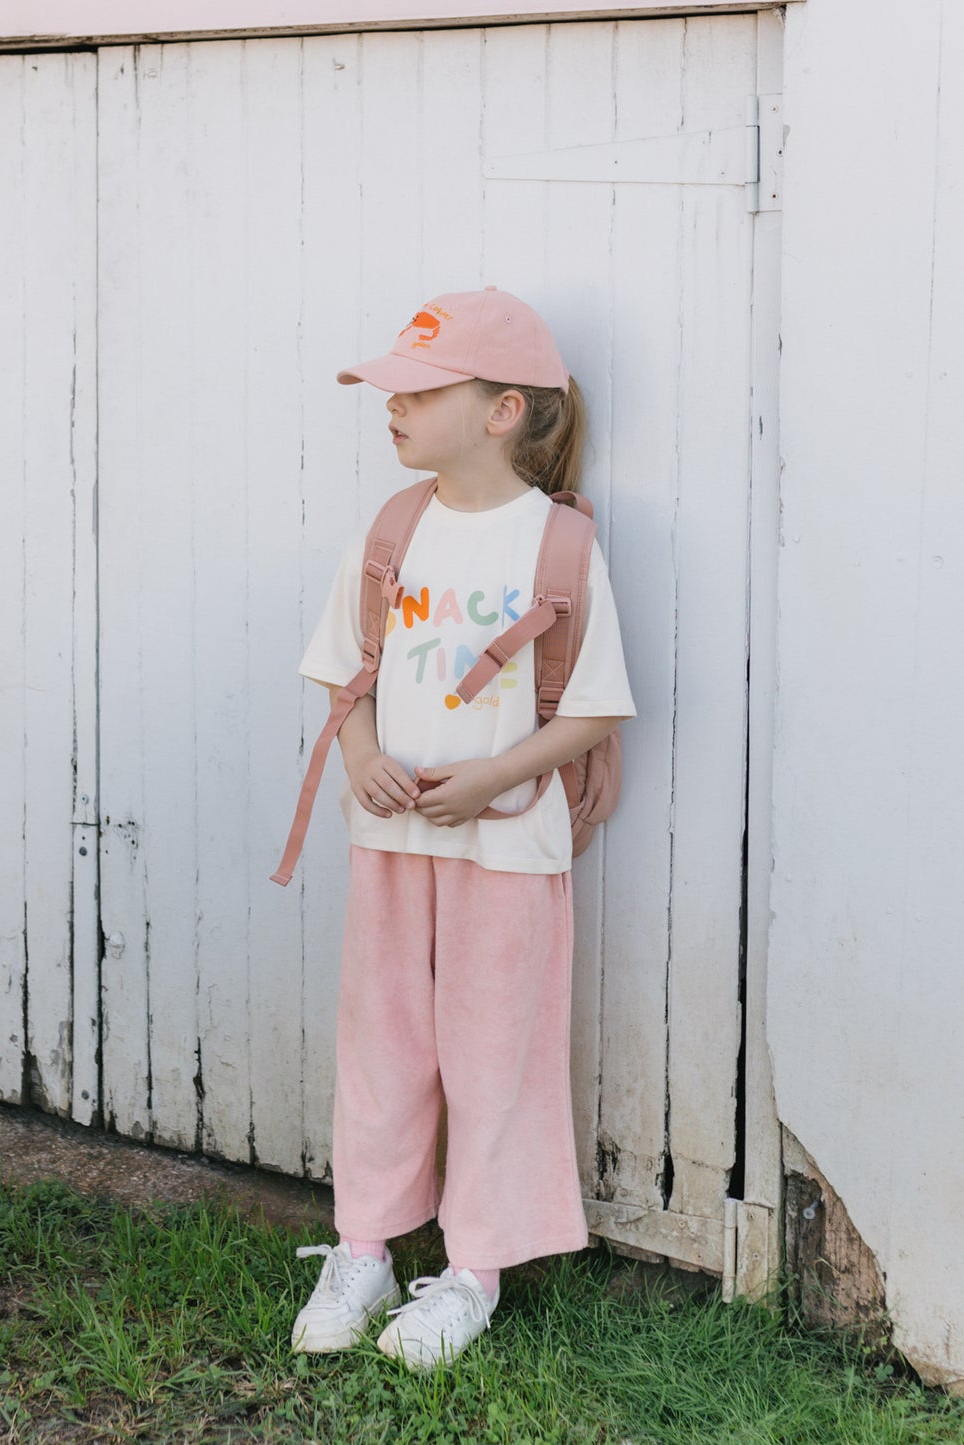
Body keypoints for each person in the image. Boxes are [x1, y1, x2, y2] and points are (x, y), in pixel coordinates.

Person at [291, 289, 635, 1371]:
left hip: (505, 846)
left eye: (417, 391)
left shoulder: (559, 545)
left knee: (495, 1054)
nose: (389, 408)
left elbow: (589, 707)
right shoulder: (391, 530)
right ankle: (363, 1248)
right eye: (388, 390)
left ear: (503, 410)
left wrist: (488, 776)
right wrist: (362, 763)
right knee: (381, 1046)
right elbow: (341, 678)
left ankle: (474, 1265)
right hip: (391, 843)